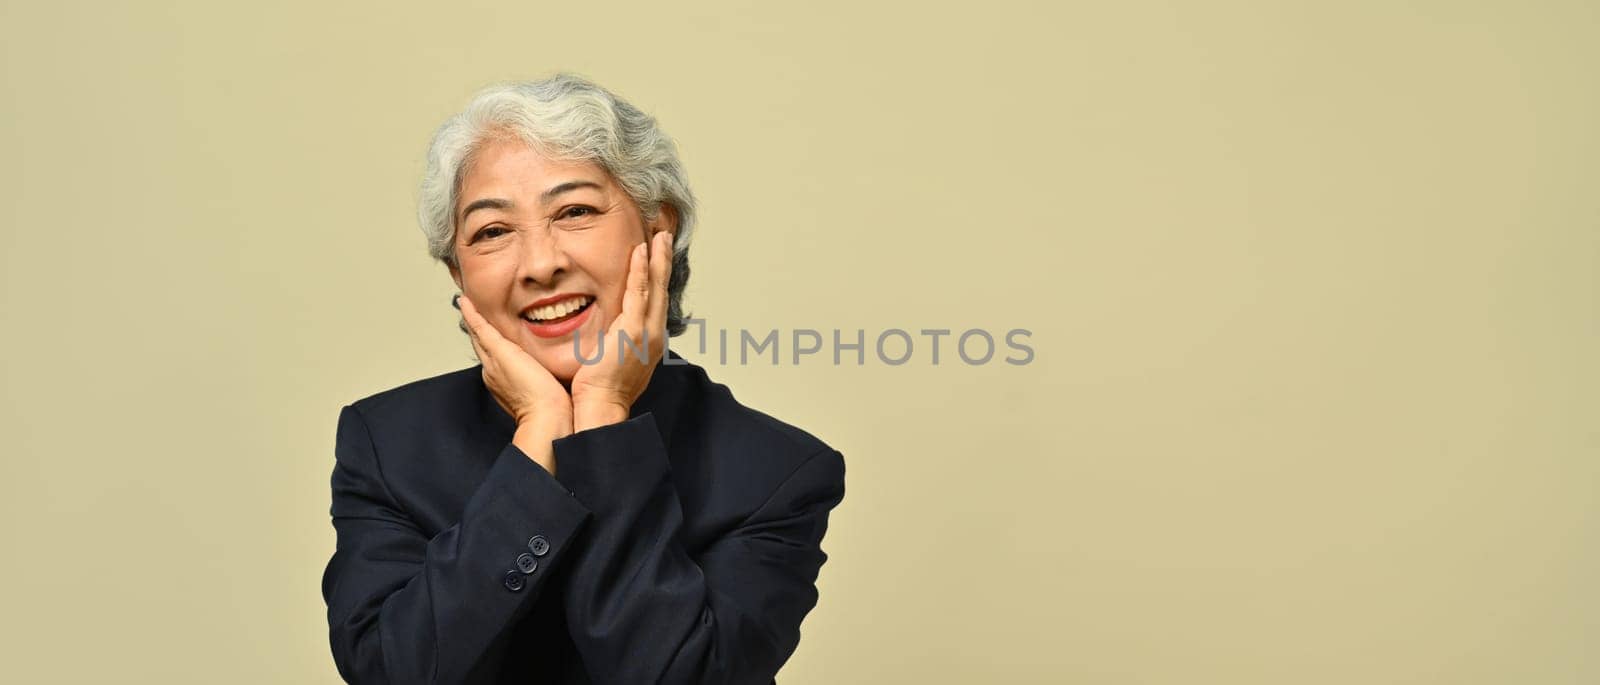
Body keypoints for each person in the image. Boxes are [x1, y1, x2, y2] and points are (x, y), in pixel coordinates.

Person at [319, 73, 847, 684]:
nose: (541, 264)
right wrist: (538, 438)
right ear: (457, 271)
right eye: (492, 231)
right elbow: (393, 672)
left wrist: (602, 417)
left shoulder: (775, 473)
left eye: (575, 211)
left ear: (658, 231)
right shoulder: (387, 442)